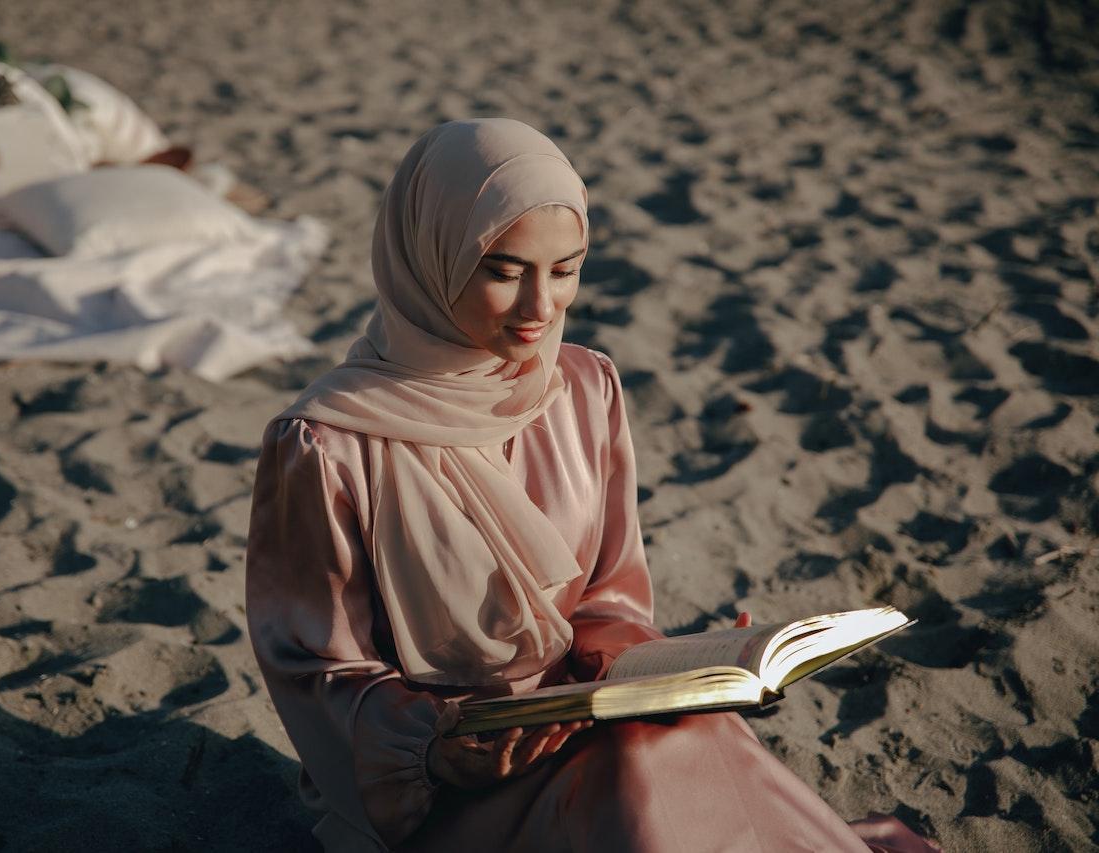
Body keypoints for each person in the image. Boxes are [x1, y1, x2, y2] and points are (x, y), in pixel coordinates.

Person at [246, 118, 939, 852]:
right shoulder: (326, 442)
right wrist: (434, 747)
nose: (540, 307)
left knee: (675, 740)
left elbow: (610, 594)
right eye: (504, 271)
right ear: (428, 254)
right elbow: (316, 665)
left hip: (582, 716)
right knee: (639, 778)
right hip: (439, 784)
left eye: (566, 268)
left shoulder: (583, 386)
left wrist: (656, 671)